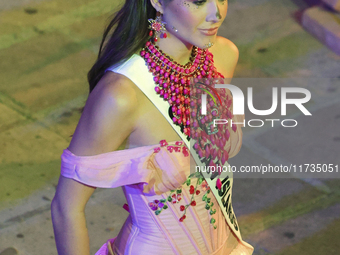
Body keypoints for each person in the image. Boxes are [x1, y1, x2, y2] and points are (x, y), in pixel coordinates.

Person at [51, 0, 254, 254]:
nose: (217, 13)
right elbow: (66, 207)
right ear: (157, 2)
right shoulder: (122, 95)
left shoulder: (223, 56)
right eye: (199, 1)